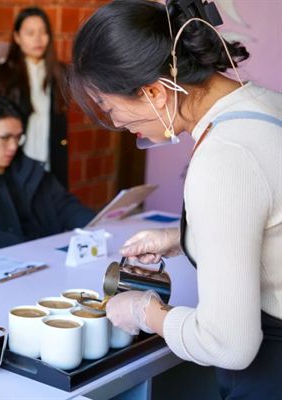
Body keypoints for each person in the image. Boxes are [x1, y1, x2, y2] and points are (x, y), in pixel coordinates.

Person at [70, 0, 282, 397]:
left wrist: (146, 312)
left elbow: (229, 344)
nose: (117, 123)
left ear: (154, 92)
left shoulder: (224, 155)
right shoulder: (265, 103)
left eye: (109, 107)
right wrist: (181, 237)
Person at [0, 96, 95, 250]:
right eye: (5, 138)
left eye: (18, 138)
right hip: (4, 263)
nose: (13, 146)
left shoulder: (28, 170)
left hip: (49, 255)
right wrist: (35, 250)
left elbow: (65, 205)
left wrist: (97, 227)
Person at [0, 7, 69, 188]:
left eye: (43, 32)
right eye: (30, 33)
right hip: (14, 167)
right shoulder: (0, 76)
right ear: (17, 37)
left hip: (48, 166)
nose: (38, 39)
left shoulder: (60, 74)